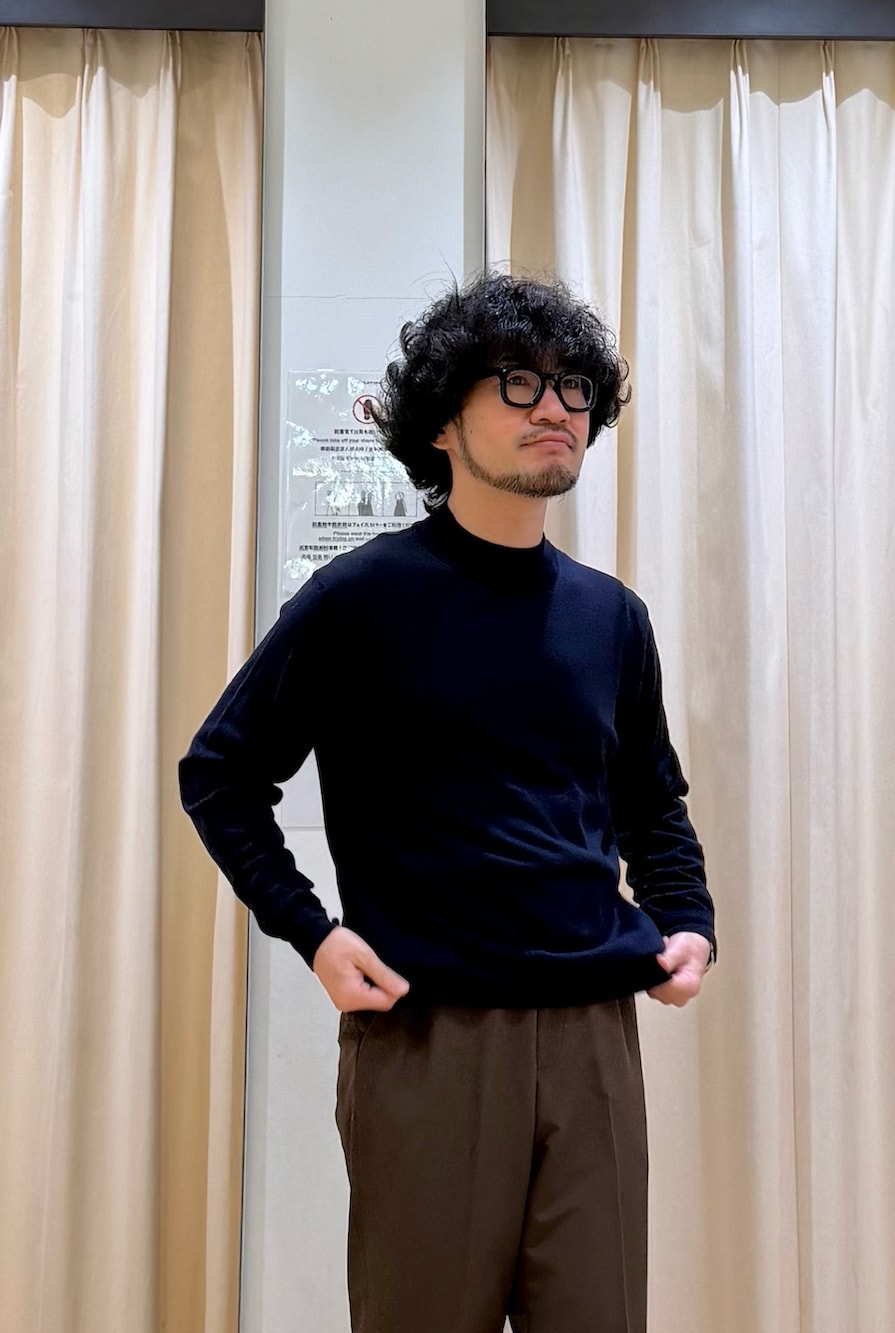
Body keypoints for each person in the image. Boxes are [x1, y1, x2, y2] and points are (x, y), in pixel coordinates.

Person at [179, 272, 715, 1333]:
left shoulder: (611, 616)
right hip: (429, 1036)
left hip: (594, 1038)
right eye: (517, 382)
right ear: (438, 422)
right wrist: (314, 932)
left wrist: (687, 918)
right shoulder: (360, 599)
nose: (553, 406)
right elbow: (221, 773)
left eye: (573, 387)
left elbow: (653, 802)